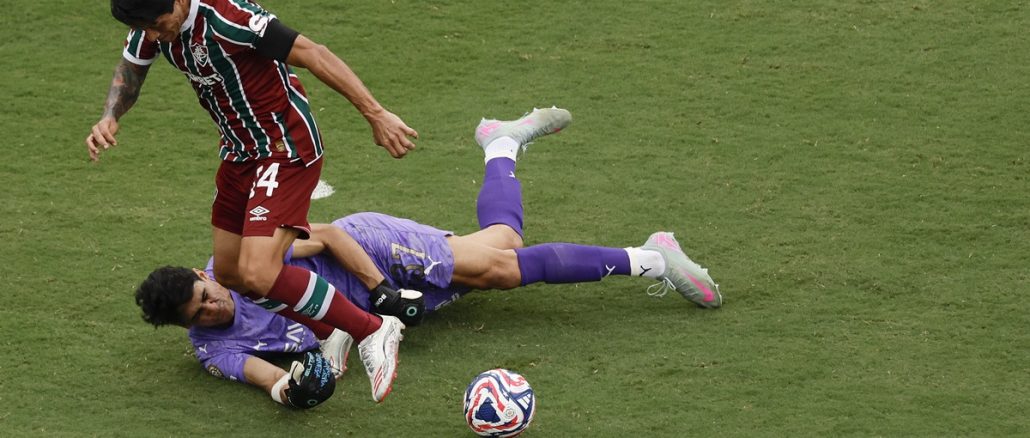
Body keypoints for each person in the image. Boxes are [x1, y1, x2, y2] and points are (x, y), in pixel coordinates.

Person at [135, 107, 723, 408]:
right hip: (373, 302)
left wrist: (380, 291)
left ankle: (651, 257)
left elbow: (332, 235)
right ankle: (501, 142)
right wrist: (295, 393)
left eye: (205, 291)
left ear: (198, 274)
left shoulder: (239, 265)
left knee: (498, 268)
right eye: (201, 310)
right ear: (186, 326)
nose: (215, 301)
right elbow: (267, 379)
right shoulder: (214, 348)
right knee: (504, 246)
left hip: (368, 249)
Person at [87, 0, 421, 403]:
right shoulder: (153, 23)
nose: (156, 36)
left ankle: (374, 329)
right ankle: (329, 329)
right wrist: (110, 116)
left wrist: (376, 114)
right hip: (239, 153)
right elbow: (132, 66)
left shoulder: (229, 18)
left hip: (284, 146)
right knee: (229, 273)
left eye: (159, 25)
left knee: (261, 271)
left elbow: (314, 54)